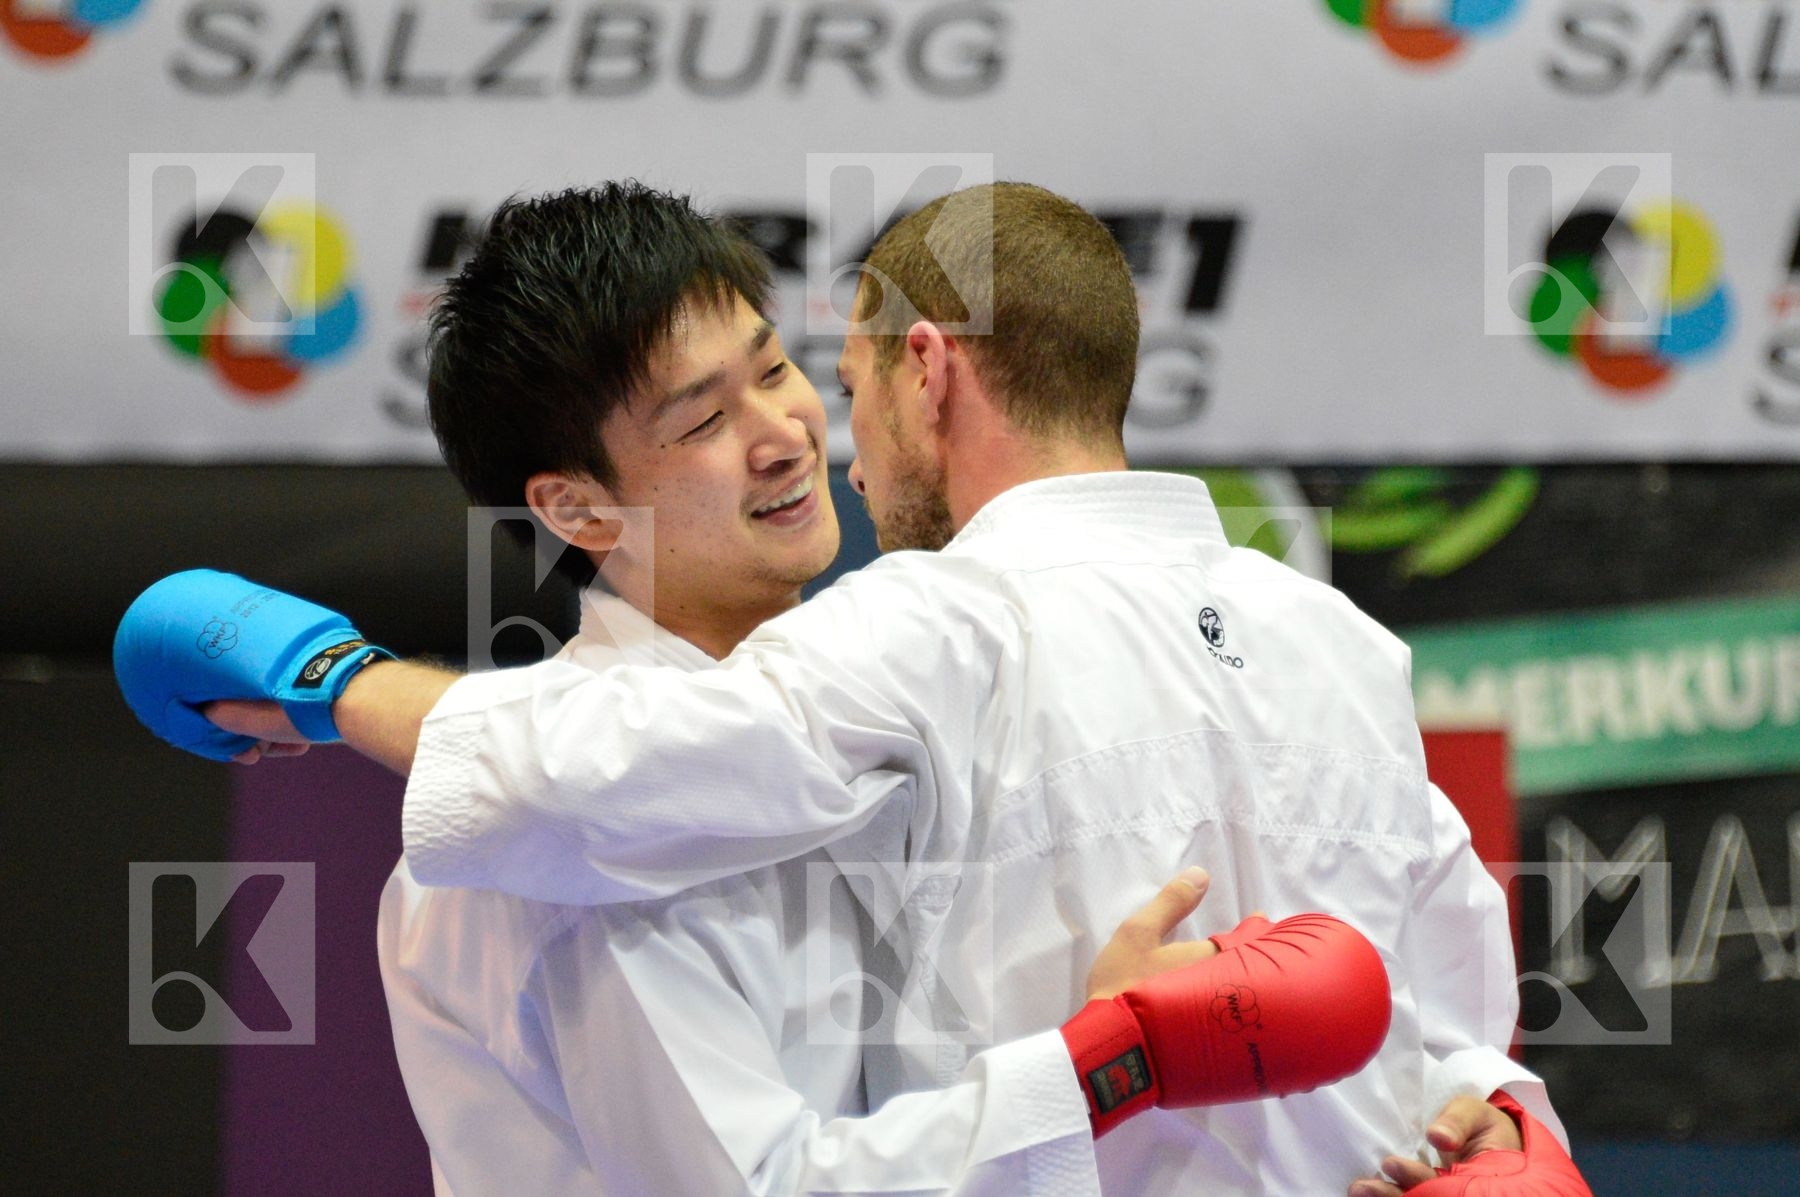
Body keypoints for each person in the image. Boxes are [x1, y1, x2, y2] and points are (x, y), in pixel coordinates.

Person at [120, 182, 1588, 1195]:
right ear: (574, 508)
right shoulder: (560, 856)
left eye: (778, 371)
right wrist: (1105, 1064)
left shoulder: (886, 687)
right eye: (705, 416)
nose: (783, 434)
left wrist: (1484, 1102)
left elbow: (1440, 1008)